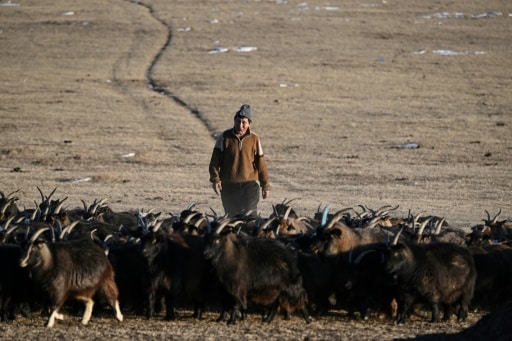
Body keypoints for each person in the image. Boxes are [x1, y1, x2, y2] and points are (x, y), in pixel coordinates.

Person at [209, 104, 271, 217]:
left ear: (249, 124)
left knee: (250, 217)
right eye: (238, 121)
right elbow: (214, 162)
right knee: (232, 218)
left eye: (244, 122)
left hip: (249, 187)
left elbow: (261, 165)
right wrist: (215, 180)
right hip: (229, 187)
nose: (240, 125)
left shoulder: (254, 139)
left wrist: (265, 186)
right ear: (234, 121)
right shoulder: (224, 137)